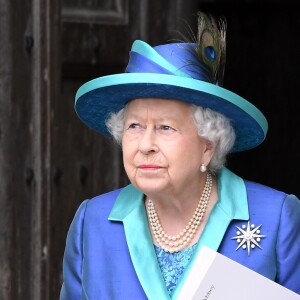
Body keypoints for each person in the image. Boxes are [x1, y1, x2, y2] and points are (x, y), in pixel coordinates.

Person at [59, 11, 300, 299]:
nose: (145, 144)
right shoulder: (92, 222)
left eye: (165, 127)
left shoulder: (275, 218)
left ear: (208, 144)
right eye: (135, 126)